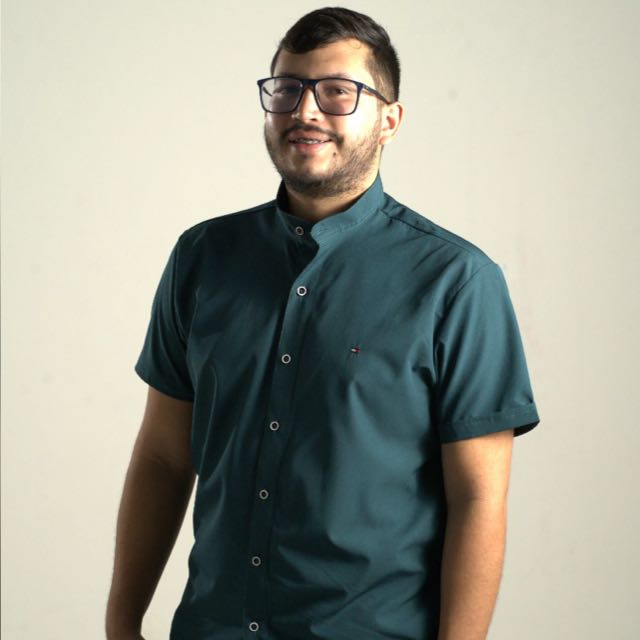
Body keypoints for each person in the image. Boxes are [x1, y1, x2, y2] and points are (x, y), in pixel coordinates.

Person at [105, 7, 540, 640]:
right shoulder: (203, 257)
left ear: (389, 120)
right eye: (287, 89)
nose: (305, 111)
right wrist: (121, 624)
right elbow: (164, 458)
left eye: (338, 91)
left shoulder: (457, 282)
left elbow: (477, 500)